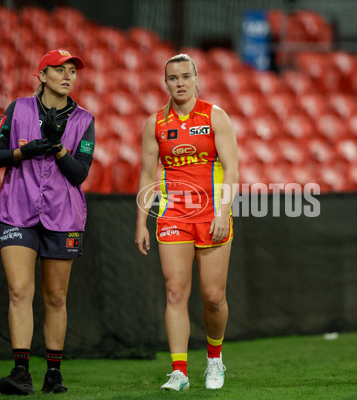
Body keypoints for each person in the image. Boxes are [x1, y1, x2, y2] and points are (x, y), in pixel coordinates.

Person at [0, 48, 96, 395]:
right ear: (41, 76)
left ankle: (54, 374)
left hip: (63, 215)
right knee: (19, 290)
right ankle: (21, 372)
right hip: (17, 211)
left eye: (72, 71)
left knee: (56, 297)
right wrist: (23, 151)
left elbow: (79, 174)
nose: (67, 76)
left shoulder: (84, 119)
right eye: (59, 70)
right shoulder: (18, 109)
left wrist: (57, 147)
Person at [135, 53, 239, 391]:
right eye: (173, 78)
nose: (179, 83)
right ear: (165, 83)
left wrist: (224, 213)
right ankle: (179, 371)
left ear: (196, 79)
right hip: (172, 215)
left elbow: (233, 169)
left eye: (185, 76)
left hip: (211, 215)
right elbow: (148, 174)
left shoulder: (215, 116)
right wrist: (141, 223)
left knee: (213, 297)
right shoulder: (155, 123)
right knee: (175, 292)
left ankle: (214, 359)